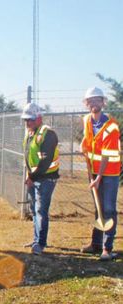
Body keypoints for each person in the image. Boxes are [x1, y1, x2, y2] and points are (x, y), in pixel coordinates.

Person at [80, 87, 120, 261]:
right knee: (98, 208)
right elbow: (88, 143)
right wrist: (84, 148)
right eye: (91, 101)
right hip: (94, 172)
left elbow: (105, 154)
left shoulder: (111, 126)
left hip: (109, 173)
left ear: (103, 102)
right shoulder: (87, 120)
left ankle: (107, 248)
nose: (94, 103)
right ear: (87, 104)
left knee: (109, 209)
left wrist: (98, 178)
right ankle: (95, 244)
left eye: (97, 100)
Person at [21, 103, 60, 255]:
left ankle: (40, 243)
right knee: (34, 209)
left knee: (41, 210)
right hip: (33, 177)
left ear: (39, 118)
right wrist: (28, 175)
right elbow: (29, 157)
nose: (27, 123)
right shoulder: (30, 133)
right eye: (25, 120)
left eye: (30, 120)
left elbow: (45, 161)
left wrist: (32, 176)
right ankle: (36, 238)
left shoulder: (47, 134)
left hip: (46, 178)